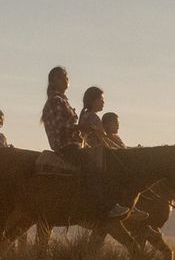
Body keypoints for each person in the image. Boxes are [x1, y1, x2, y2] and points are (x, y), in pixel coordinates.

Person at [39, 66, 137, 221]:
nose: (66, 80)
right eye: (62, 77)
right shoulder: (56, 101)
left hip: (73, 145)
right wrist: (80, 127)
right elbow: (61, 128)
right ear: (53, 81)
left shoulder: (62, 101)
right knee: (93, 169)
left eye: (66, 77)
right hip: (67, 147)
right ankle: (105, 207)